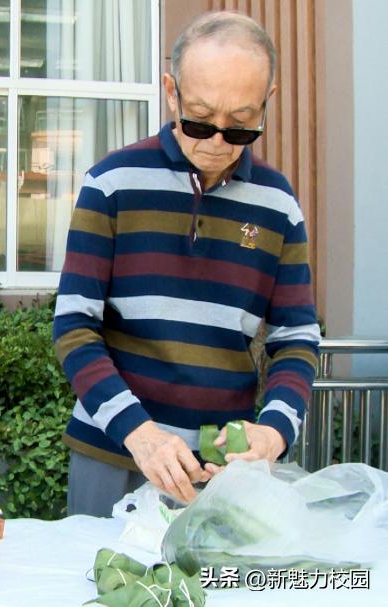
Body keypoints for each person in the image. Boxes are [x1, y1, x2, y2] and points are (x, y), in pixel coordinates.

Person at [53, 11, 321, 516]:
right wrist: (140, 434)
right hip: (115, 451)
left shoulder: (278, 203)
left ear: (269, 101)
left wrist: (275, 430)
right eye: (200, 118)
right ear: (171, 91)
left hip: (224, 466)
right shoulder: (112, 184)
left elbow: (297, 337)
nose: (217, 142)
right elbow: (73, 326)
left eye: (241, 126)